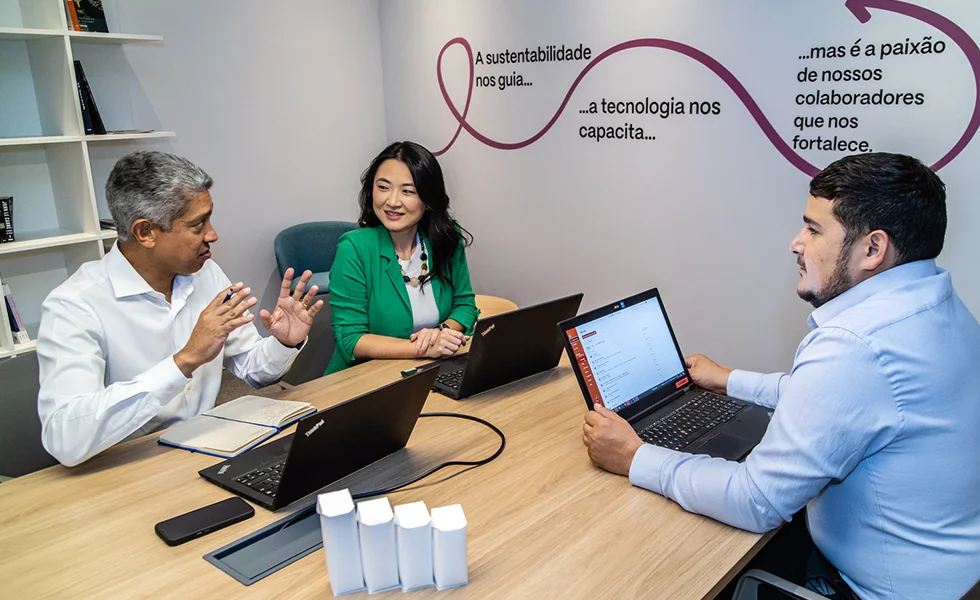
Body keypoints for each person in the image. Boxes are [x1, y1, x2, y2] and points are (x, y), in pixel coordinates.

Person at [582, 153, 980, 599]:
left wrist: (634, 456)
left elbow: (756, 501)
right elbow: (833, 402)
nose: (796, 243)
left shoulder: (855, 345)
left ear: (873, 248)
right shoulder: (932, 304)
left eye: (813, 229)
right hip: (953, 571)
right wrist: (727, 378)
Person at [37, 151, 324, 467]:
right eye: (198, 224)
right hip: (128, 469)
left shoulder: (206, 274)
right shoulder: (75, 305)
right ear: (145, 232)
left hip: (209, 451)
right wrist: (184, 361)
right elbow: (64, 439)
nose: (212, 234)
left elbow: (252, 371)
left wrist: (283, 343)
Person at [325, 141, 479, 374]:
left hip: (429, 371)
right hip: (363, 380)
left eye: (408, 191)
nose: (392, 201)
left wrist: (441, 332)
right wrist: (423, 348)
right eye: (383, 187)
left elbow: (465, 305)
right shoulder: (354, 248)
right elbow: (351, 339)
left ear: (428, 200)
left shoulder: (447, 239)